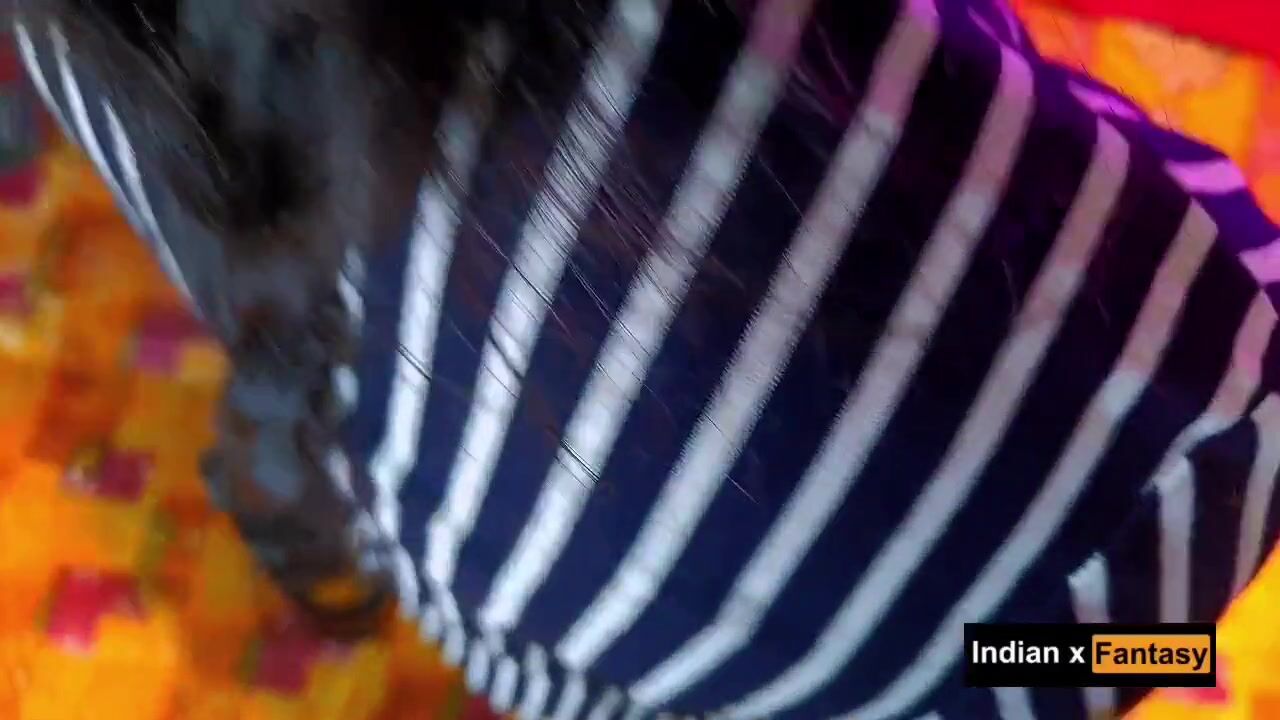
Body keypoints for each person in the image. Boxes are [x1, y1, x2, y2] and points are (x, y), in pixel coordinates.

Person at [11, 0, 1280, 717]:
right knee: (1111, 647)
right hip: (1110, 520)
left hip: (641, 653)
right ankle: (1169, 658)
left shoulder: (91, 59)